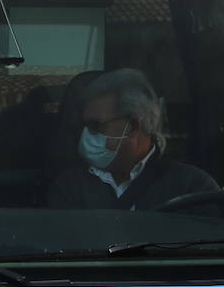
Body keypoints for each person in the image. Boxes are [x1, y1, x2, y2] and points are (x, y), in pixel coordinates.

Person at [47, 68, 219, 210]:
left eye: (95, 126)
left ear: (134, 126)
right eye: (84, 125)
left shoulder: (192, 187)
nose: (86, 135)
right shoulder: (70, 188)